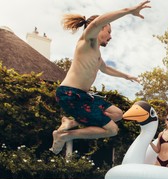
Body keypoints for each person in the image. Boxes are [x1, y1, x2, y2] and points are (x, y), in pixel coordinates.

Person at [50, 1, 151, 154]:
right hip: (69, 94)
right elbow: (97, 21)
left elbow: (105, 68)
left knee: (117, 114)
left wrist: (126, 75)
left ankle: (70, 122)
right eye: (109, 31)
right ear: (101, 28)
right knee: (112, 130)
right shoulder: (87, 41)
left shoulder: (96, 52)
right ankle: (64, 135)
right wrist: (129, 10)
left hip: (82, 95)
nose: (110, 37)